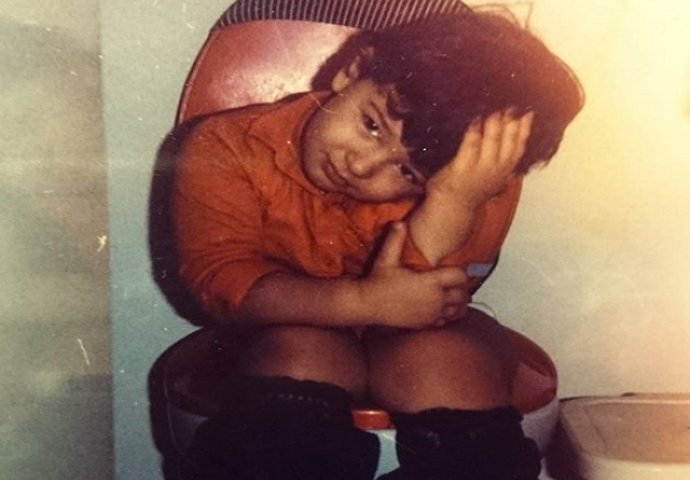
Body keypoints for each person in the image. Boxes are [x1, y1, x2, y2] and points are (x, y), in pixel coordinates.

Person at [172, 8, 583, 480]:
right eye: (371, 125)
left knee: (451, 381)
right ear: (353, 69)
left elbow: (431, 299)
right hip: (277, 324)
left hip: (418, 331)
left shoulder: (471, 184)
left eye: (406, 172)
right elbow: (220, 279)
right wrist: (364, 301)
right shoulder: (227, 145)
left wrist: (452, 201)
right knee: (298, 366)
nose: (362, 166)